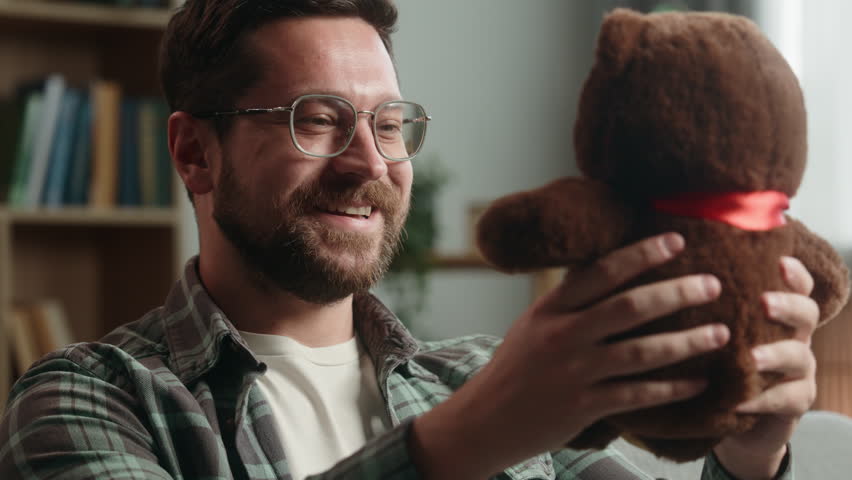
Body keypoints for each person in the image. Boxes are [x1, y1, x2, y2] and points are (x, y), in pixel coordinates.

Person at [0, 1, 819, 479]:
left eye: (390, 125)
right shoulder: (90, 397)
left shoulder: (488, 377)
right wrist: (459, 447)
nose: (370, 163)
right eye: (316, 120)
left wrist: (748, 460)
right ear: (193, 152)